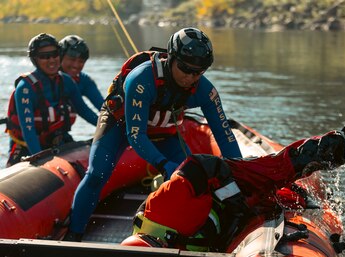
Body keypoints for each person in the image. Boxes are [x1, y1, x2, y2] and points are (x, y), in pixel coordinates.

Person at [64, 27, 243, 241]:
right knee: (97, 173)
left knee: (191, 179)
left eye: (199, 71)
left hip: (162, 128)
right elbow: (136, 136)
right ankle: (74, 233)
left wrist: (241, 172)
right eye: (185, 69)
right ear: (171, 58)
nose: (191, 77)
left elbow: (224, 135)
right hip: (121, 123)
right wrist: (163, 164)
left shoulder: (204, 89)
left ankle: (181, 235)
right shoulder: (141, 79)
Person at [124, 118, 345, 252]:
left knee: (278, 169)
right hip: (230, 209)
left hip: (226, 181)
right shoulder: (171, 247)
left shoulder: (164, 209)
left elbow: (201, 165)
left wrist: (232, 198)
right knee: (286, 196)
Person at [5, 33, 99, 167]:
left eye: (55, 54)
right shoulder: (25, 88)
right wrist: (40, 160)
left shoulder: (67, 81)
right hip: (27, 147)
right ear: (35, 59)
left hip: (58, 142)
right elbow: (28, 131)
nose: (51, 60)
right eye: (44, 56)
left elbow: (85, 112)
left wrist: (109, 130)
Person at [59, 35, 104, 111]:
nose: (76, 65)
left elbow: (103, 108)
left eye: (81, 61)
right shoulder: (43, 80)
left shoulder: (85, 81)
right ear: (60, 57)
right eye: (72, 59)